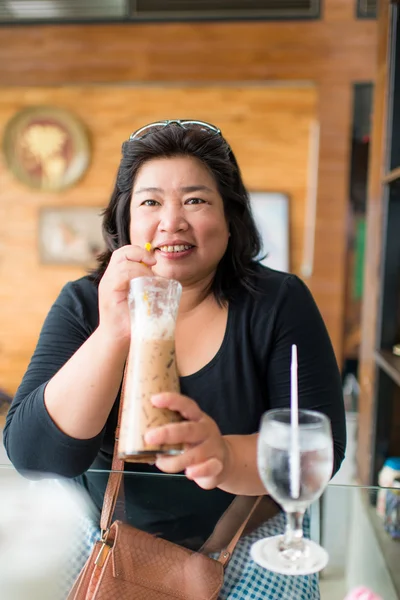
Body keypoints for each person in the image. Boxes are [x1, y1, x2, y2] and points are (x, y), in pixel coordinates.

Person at [3, 119, 346, 599]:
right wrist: (114, 330)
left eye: (195, 200)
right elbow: (37, 458)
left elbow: (319, 448)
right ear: (126, 223)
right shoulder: (85, 302)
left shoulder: (278, 302)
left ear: (231, 219)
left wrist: (224, 456)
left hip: (245, 544)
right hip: (103, 544)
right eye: (150, 202)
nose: (171, 221)